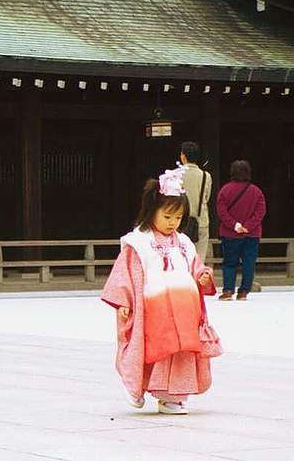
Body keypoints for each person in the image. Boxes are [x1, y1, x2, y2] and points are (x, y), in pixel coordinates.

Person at [101, 165, 218, 415]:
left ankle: (172, 397)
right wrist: (124, 302)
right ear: (151, 212)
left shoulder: (184, 242)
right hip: (155, 308)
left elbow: (194, 266)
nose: (172, 223)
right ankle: (136, 386)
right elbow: (126, 273)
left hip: (183, 307)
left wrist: (203, 276)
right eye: (167, 217)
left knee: (181, 350)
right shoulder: (139, 242)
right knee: (154, 348)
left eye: (177, 218)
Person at [216, 160, 266, 301]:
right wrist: (248, 226)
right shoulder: (257, 192)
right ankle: (244, 291)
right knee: (249, 263)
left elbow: (221, 211)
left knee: (229, 263)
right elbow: (260, 212)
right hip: (252, 234)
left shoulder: (225, 190)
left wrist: (235, 225)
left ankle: (228, 291)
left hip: (230, 233)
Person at [180, 141, 212, 263]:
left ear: (183, 156)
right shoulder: (206, 176)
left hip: (180, 221)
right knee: (199, 260)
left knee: (182, 260)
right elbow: (207, 197)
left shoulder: (176, 175)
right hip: (200, 221)